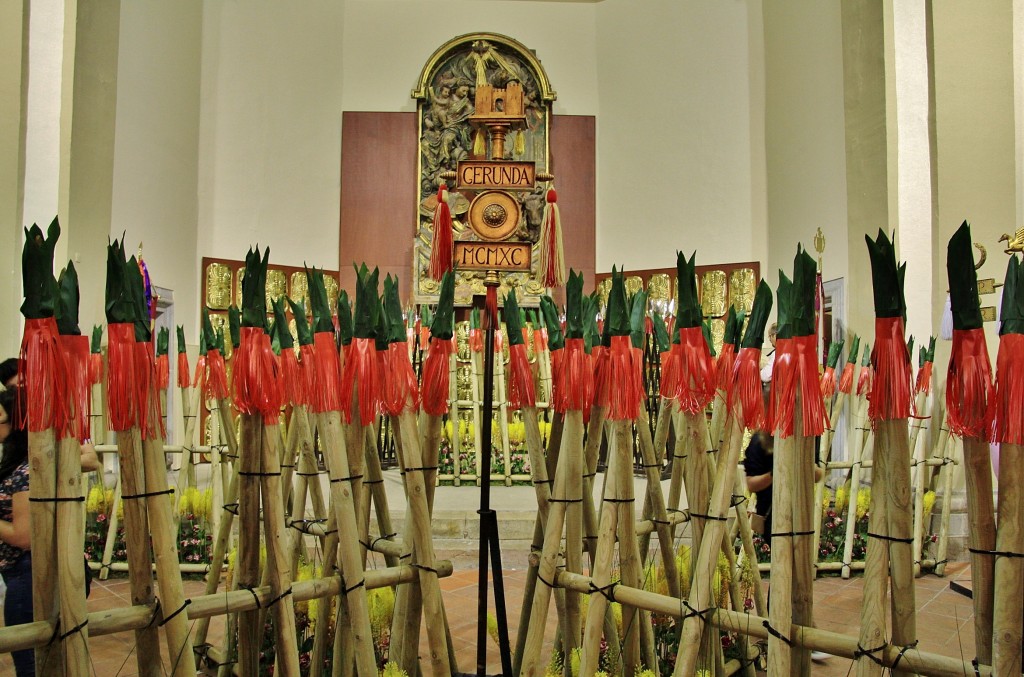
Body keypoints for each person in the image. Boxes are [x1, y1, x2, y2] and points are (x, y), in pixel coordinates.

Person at [742, 430, 830, 663]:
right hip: (774, 519)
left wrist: (802, 462)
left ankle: (784, 625)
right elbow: (751, 483)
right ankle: (793, 628)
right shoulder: (760, 440)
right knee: (785, 569)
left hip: (801, 516)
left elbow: (818, 473)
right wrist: (778, 469)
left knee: (790, 571)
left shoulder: (807, 433)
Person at [0, 386, 34, 675]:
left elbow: (24, 537)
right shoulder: (15, 464)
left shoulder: (25, 471)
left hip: (27, 571)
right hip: (17, 571)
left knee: (29, 661)